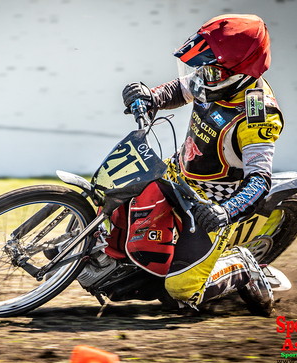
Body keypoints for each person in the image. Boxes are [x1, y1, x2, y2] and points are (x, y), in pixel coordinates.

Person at [122, 14, 284, 316]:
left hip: (210, 205)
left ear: (236, 74)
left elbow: (260, 181)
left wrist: (225, 211)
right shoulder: (215, 76)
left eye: (208, 71)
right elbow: (179, 89)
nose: (199, 76)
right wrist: (149, 96)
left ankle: (244, 267)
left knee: (179, 292)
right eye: (200, 67)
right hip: (176, 175)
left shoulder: (258, 115)